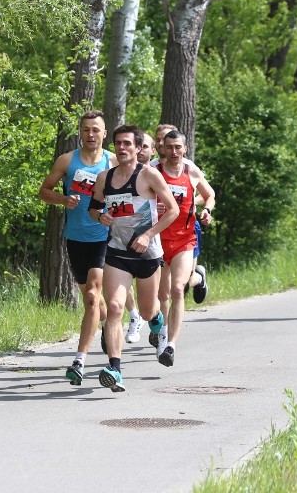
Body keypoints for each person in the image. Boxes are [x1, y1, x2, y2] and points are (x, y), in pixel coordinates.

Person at [88, 125, 179, 392]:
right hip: (117, 251)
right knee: (115, 308)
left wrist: (148, 234)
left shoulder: (149, 175)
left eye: (128, 143)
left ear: (139, 148)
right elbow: (94, 208)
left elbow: (172, 210)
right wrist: (100, 217)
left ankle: (157, 324)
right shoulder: (105, 178)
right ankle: (114, 369)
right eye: (118, 143)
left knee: (150, 310)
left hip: (147, 253)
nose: (122, 148)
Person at [38, 111, 117, 385]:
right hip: (75, 237)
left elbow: (130, 192)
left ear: (104, 134)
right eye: (86, 130)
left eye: (96, 130)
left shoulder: (112, 162)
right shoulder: (67, 161)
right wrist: (62, 199)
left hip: (103, 235)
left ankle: (79, 360)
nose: (91, 134)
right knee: (91, 298)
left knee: (93, 297)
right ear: (80, 132)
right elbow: (43, 191)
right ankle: (109, 325)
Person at [154, 130, 214, 367]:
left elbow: (210, 195)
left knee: (177, 290)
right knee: (162, 295)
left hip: (184, 240)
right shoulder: (154, 172)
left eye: (178, 147)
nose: (174, 152)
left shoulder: (192, 171)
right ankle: (198, 278)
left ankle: (171, 345)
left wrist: (207, 210)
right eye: (169, 147)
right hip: (158, 240)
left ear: (185, 148)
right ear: (164, 149)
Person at [123, 132, 157, 344]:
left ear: (153, 150)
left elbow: (174, 207)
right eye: (139, 145)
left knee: (158, 300)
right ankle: (132, 316)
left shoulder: (154, 174)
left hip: (154, 243)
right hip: (120, 242)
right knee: (117, 299)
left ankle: (156, 323)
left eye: (146, 146)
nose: (141, 149)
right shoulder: (117, 173)